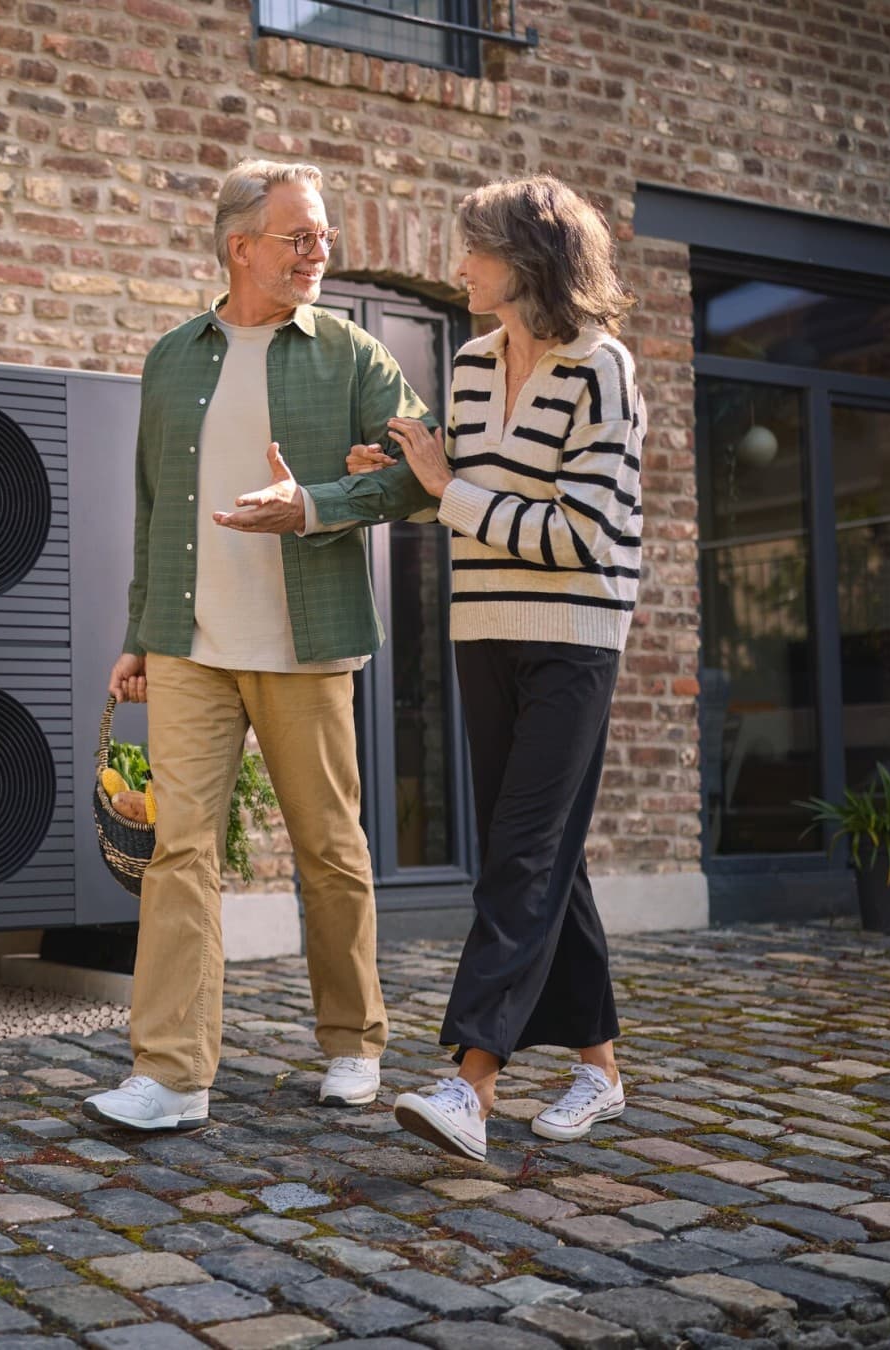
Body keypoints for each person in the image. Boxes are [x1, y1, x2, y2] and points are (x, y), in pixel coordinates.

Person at [81, 158, 437, 1132]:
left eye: (323, 234)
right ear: (241, 246)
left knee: (327, 849)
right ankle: (172, 1073)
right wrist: (140, 635)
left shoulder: (352, 354)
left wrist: (318, 504)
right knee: (178, 852)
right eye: (299, 236)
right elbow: (159, 508)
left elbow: (423, 467)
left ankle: (353, 1040)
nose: (318, 251)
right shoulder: (173, 359)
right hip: (193, 643)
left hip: (307, 641)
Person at [324, 175, 645, 1160]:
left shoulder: (602, 369)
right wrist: (397, 478)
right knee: (544, 854)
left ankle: (473, 1082)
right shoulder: (469, 365)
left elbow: (579, 536)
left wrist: (445, 487)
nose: (458, 265)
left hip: (576, 635)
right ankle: (599, 1071)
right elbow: (459, 491)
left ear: (523, 261)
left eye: (472, 249)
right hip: (484, 630)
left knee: (520, 853)